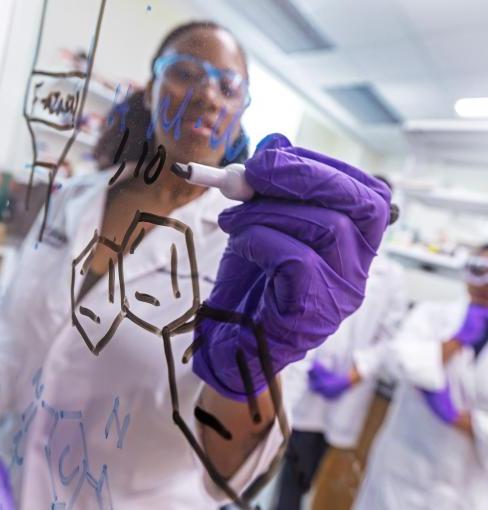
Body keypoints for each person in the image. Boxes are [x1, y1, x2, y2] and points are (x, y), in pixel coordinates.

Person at [0, 20, 392, 510]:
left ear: (241, 110)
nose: (207, 96)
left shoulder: (255, 250)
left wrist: (252, 367)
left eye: (229, 87)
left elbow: (227, 469)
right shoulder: (76, 198)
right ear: (150, 91)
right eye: (185, 72)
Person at [353, 244, 488, 510]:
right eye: (480, 270)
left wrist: (467, 422)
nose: (484, 283)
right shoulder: (432, 315)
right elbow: (395, 360)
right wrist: (454, 343)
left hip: (468, 485)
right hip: (404, 466)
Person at [273, 253, 407, 510]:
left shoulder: (391, 275)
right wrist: (305, 361)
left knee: (320, 477)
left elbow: (391, 337)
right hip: (306, 383)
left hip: (348, 392)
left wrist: (353, 375)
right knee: (290, 478)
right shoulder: (320, 256)